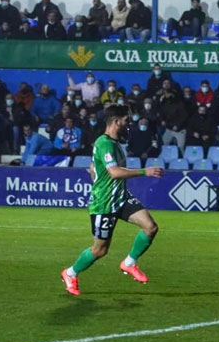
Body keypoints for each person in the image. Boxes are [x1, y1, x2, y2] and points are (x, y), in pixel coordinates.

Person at [60, 105, 164, 296]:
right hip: (105, 204)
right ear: (116, 122)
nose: (129, 124)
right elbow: (114, 172)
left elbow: (93, 167)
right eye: (126, 121)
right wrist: (145, 171)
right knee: (100, 250)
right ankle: (70, 273)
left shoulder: (112, 143)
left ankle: (129, 263)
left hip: (121, 198)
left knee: (150, 227)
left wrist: (96, 175)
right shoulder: (105, 143)